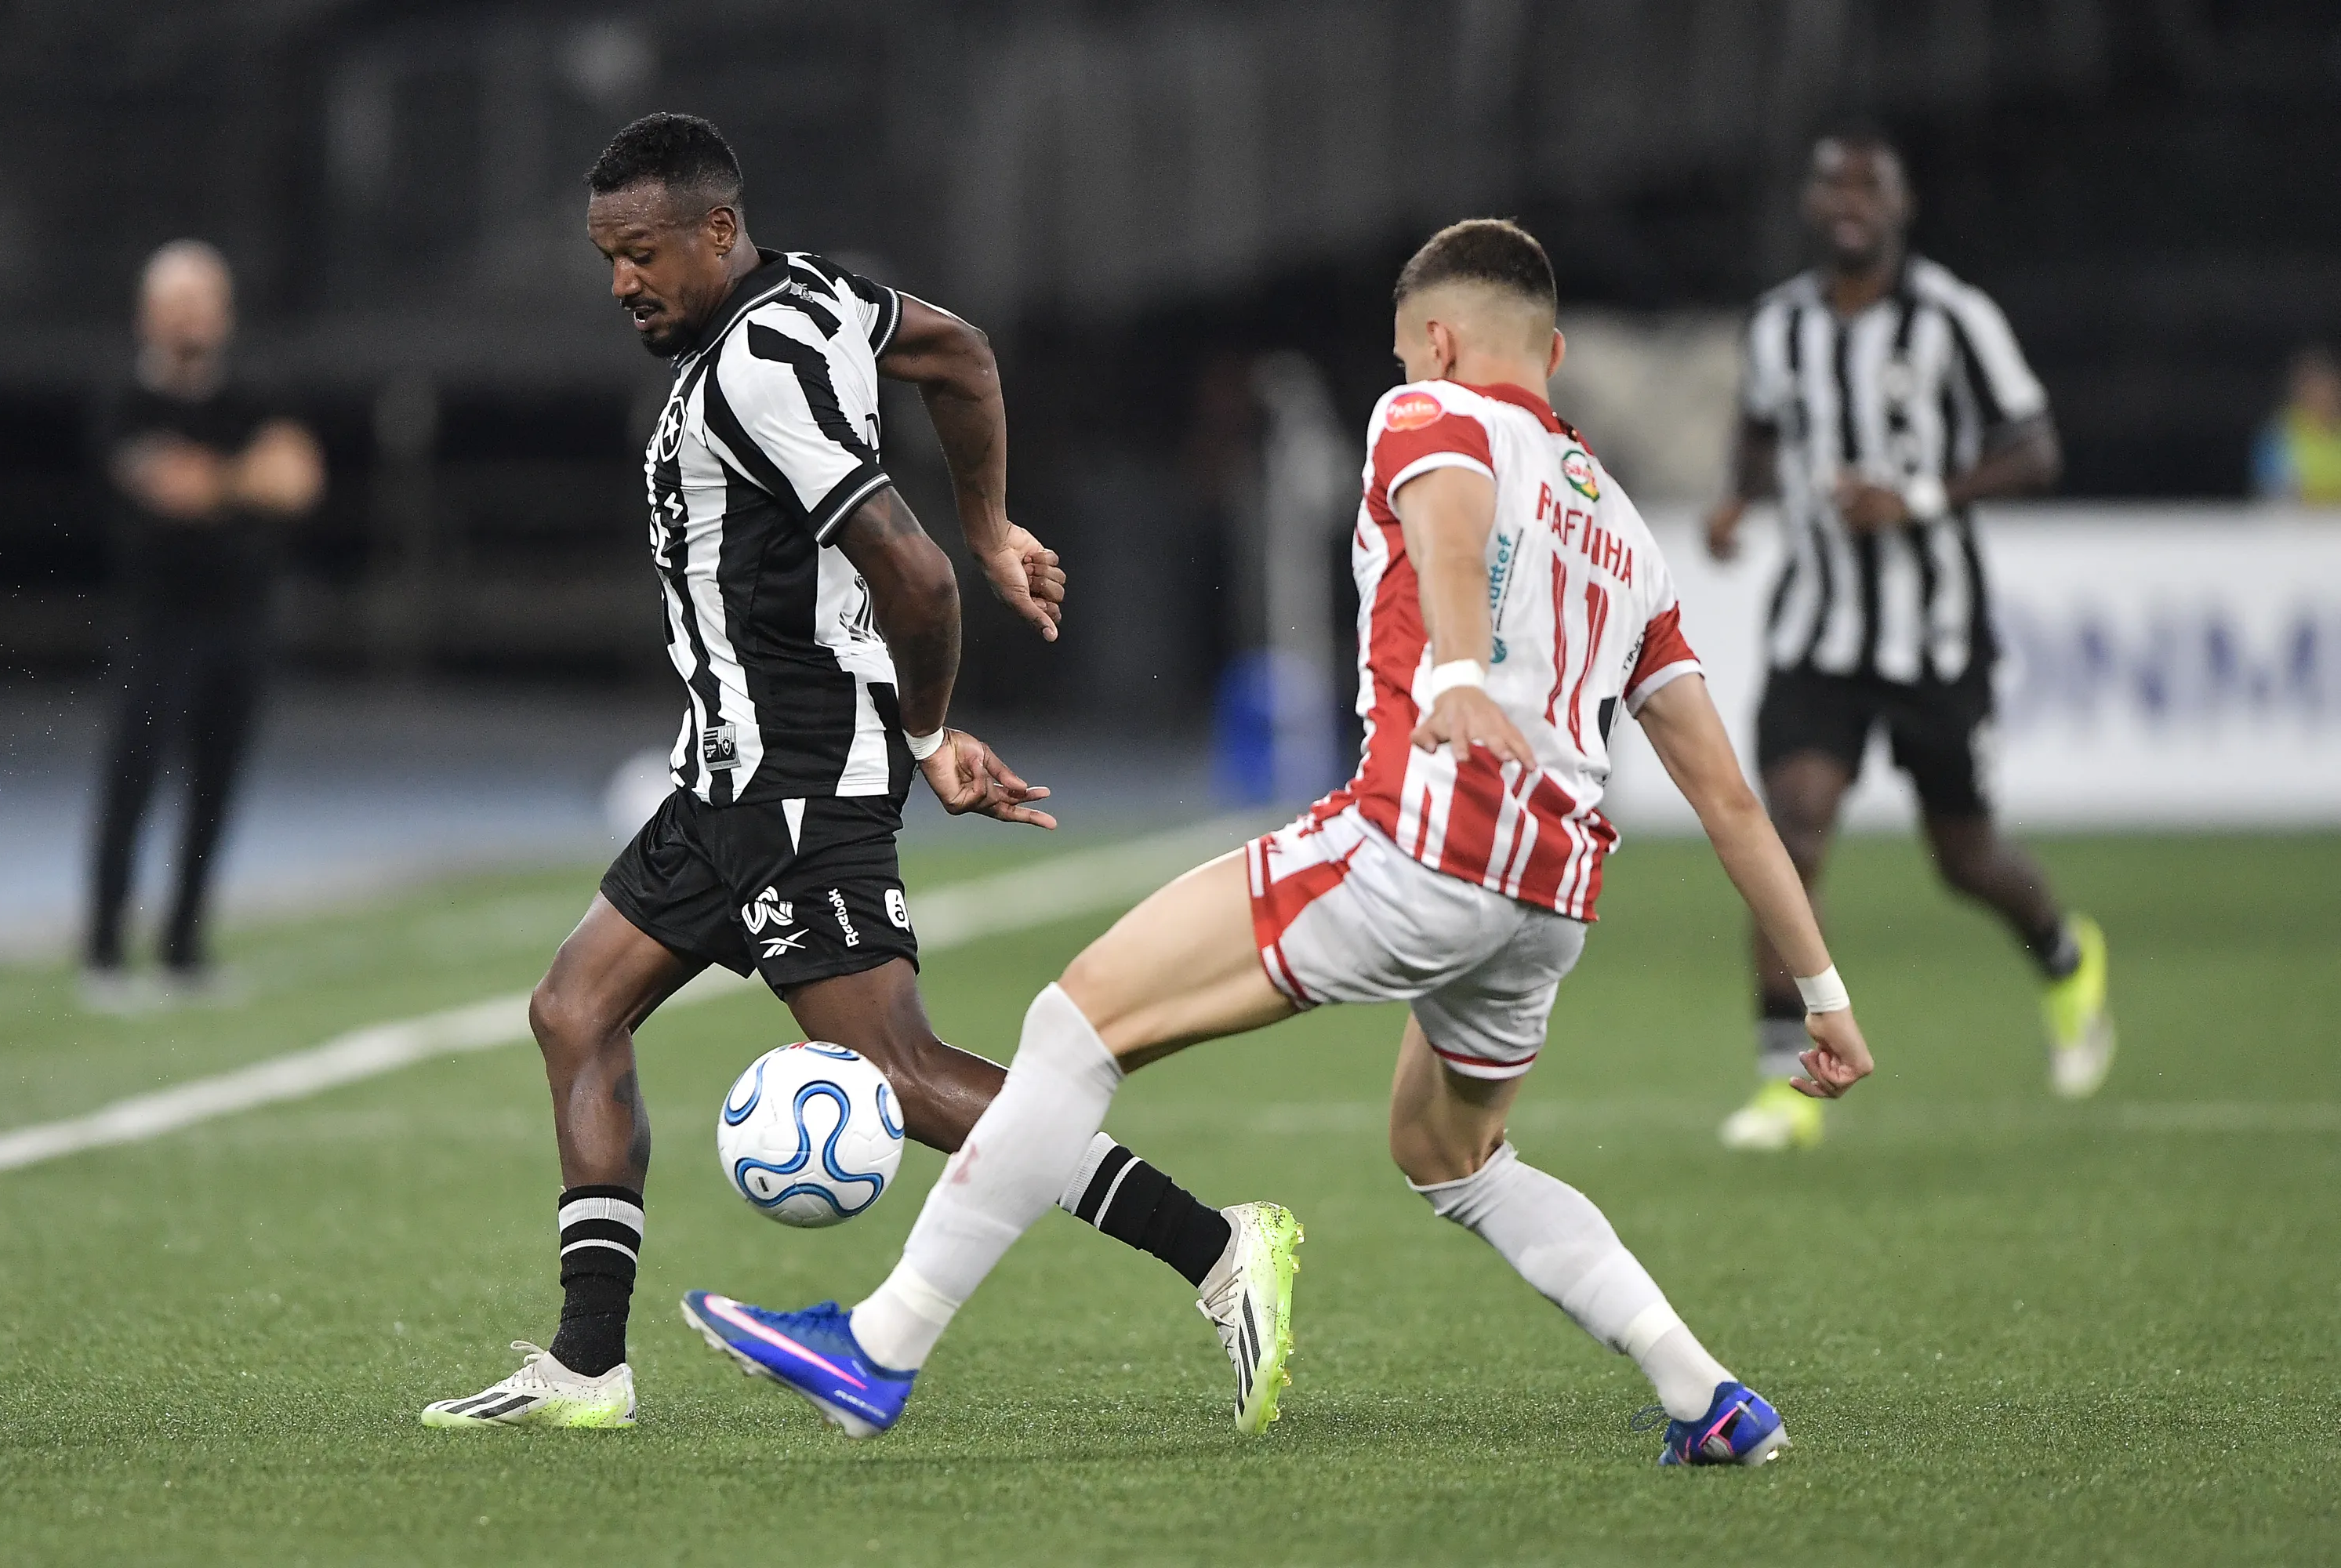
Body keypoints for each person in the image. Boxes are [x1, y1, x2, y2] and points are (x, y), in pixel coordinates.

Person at [682, 220, 1875, 1466]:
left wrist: (1459, 669)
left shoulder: (1429, 412)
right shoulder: (1627, 535)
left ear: (1438, 342)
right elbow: (1730, 800)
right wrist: (1823, 996)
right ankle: (1709, 1397)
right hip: (1550, 897)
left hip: (1421, 844)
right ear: (1558, 353)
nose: (1406, 372)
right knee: (1453, 1156)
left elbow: (1452, 521)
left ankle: (879, 1347)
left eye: (1408, 354)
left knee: (1073, 1027)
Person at [421, 114, 1291, 1432]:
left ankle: (1219, 1248)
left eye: (643, 253)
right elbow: (958, 353)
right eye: (608, 259)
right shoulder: (816, 295)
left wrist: (930, 729)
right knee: (574, 1010)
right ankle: (589, 1365)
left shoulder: (754, 372)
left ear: (718, 230)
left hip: (797, 771)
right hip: (727, 773)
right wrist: (994, 520)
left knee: (898, 1071)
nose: (622, 283)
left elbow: (915, 578)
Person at [1704, 128, 2113, 1152]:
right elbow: (1759, 428)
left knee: (1964, 857)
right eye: (1832, 185)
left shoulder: (1952, 317)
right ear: (1811, 204)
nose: (1850, 202)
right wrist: (1737, 500)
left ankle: (2066, 958)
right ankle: (1784, 1082)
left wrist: (1918, 498)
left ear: (1901, 204)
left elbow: (2036, 448)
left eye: (1869, 186)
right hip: (1816, 631)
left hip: (1934, 637)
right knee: (1791, 834)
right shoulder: (1778, 325)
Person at [82, 241, 325, 1009]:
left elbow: (297, 480)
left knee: (215, 785)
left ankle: (183, 948)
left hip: (242, 619)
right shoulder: (125, 398)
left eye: (203, 301)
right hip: (158, 622)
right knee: (132, 781)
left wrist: (217, 478)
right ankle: (104, 951)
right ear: (146, 314)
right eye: (176, 302)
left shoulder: (256, 390)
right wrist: (245, 477)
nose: (191, 317)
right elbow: (172, 486)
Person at [2249, 347, 2341, 506]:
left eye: (2325, 385)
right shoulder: (2279, 433)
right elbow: (2270, 493)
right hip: (2297, 519)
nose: (2320, 394)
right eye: (2311, 385)